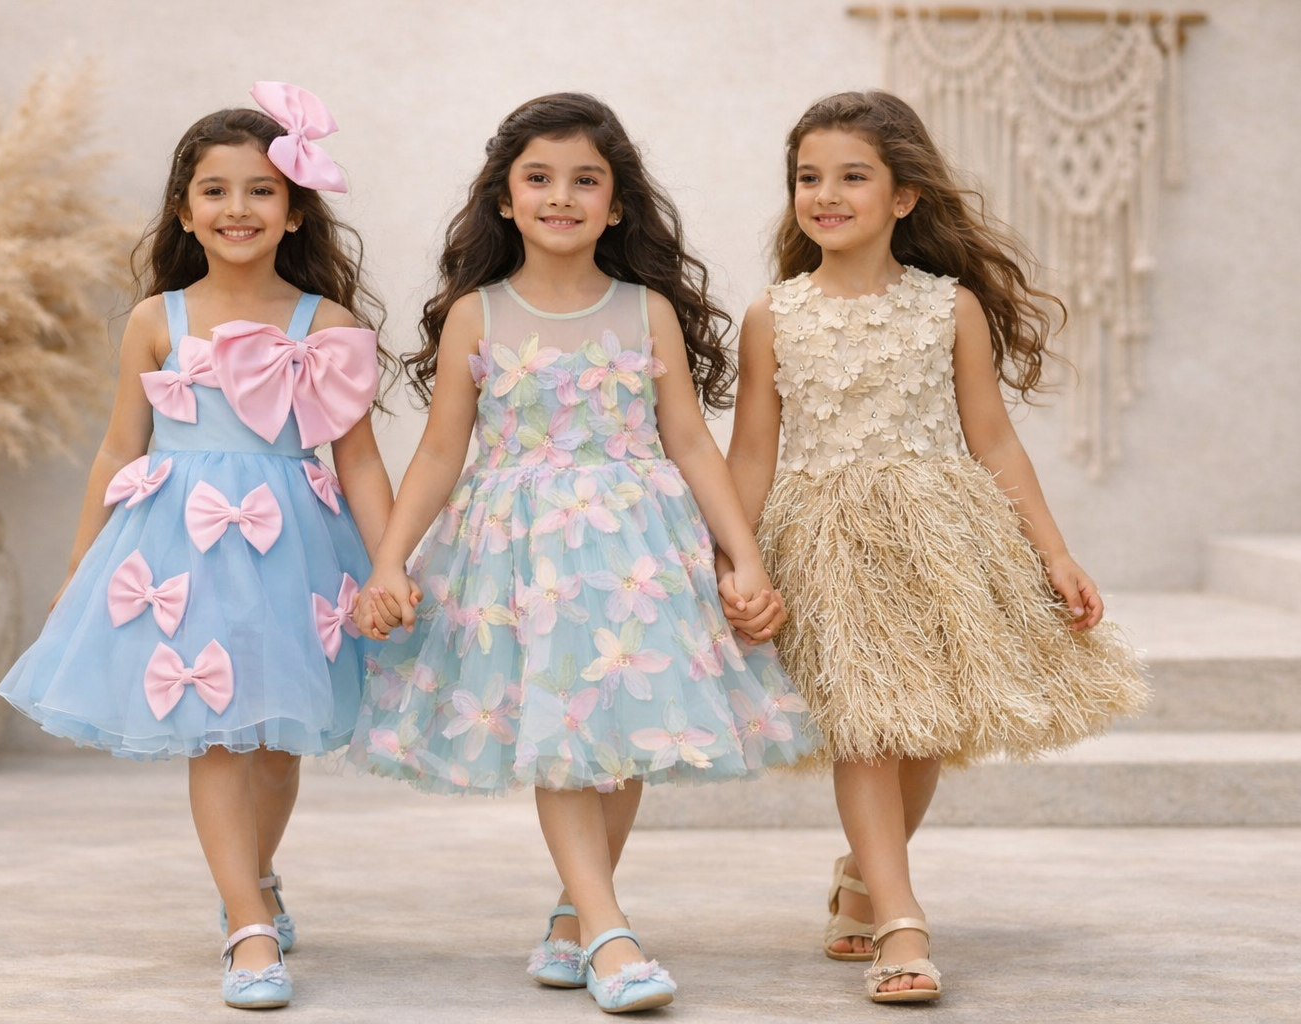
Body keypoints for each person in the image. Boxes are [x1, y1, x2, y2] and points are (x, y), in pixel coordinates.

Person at [348, 93, 815, 1014]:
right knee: (563, 734)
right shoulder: (476, 316)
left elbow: (688, 440)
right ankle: (609, 934)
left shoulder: (646, 313)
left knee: (621, 729)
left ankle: (572, 913)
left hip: (639, 545)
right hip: (520, 555)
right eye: (539, 178)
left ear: (618, 204)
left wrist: (743, 559)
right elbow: (443, 448)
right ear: (505, 199)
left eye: (585, 180)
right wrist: (392, 559)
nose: (561, 196)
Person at [723, 90, 1147, 1005]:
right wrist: (733, 559)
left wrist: (1056, 555)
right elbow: (752, 449)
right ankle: (901, 922)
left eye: (851, 177)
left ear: (904, 197)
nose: (825, 195)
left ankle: (861, 874)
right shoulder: (773, 316)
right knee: (868, 726)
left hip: (940, 533)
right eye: (808, 177)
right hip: (825, 538)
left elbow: (993, 440)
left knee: (922, 734)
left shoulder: (948, 308)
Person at [0, 82, 393, 1010]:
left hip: (297, 549)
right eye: (214, 191)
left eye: (261, 190)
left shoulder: (324, 327)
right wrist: (79, 564)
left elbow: (363, 463)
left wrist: (387, 564)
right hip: (180, 547)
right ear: (184, 209)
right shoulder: (156, 320)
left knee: (279, 740)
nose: (238, 209)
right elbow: (117, 448)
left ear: (295, 211)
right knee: (214, 731)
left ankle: (255, 873)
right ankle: (246, 922)